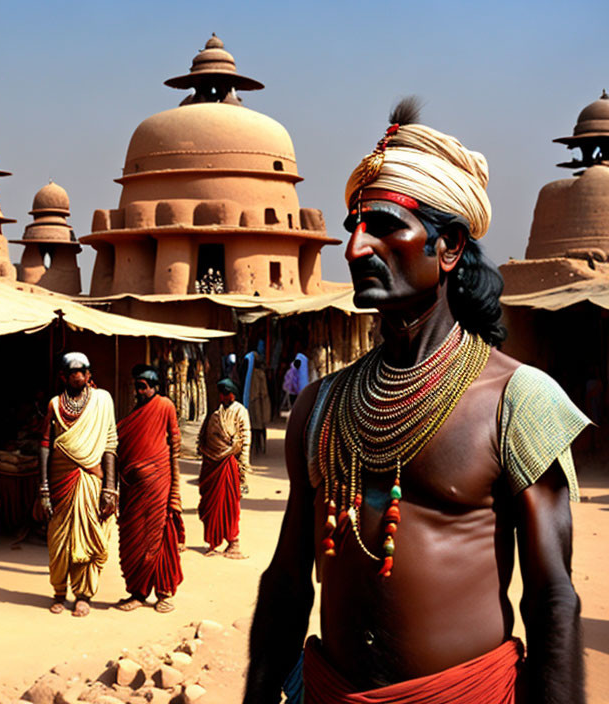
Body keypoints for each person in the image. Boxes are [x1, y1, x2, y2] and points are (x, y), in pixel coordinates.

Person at [245, 100, 589, 704]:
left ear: (448, 247)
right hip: (329, 691)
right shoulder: (321, 405)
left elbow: (551, 597)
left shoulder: (517, 400)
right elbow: (287, 582)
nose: (354, 249)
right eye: (354, 228)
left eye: (381, 226)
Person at [38, 352, 118, 617]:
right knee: (59, 540)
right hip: (61, 482)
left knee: (89, 537)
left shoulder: (102, 400)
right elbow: (46, 445)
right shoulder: (54, 405)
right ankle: (59, 592)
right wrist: (44, 487)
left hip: (91, 481)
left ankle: (84, 595)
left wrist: (110, 487)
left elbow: (109, 444)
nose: (78, 376)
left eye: (82, 372)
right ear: (63, 376)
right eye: (72, 373)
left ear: (89, 374)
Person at [115, 365, 184, 613]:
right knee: (132, 537)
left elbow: (174, 445)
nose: (139, 390)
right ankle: (137, 592)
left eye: (144, 386)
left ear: (155, 387)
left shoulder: (165, 405)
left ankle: (164, 592)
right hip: (132, 488)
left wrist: (175, 486)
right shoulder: (134, 413)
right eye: (137, 386)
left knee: (160, 536)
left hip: (158, 482)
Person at [198, 378, 251, 557]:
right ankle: (213, 542)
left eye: (225, 393)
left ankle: (233, 541)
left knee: (229, 504)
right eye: (221, 393)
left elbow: (245, 439)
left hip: (228, 464)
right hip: (211, 464)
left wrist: (243, 467)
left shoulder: (240, 412)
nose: (222, 396)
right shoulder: (215, 412)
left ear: (232, 394)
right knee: (210, 503)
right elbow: (204, 435)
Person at [241, 343, 271, 454]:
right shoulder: (258, 374)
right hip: (259, 402)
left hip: (256, 402)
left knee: (255, 425)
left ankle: (258, 447)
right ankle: (260, 448)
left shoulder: (252, 374)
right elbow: (264, 390)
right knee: (259, 426)